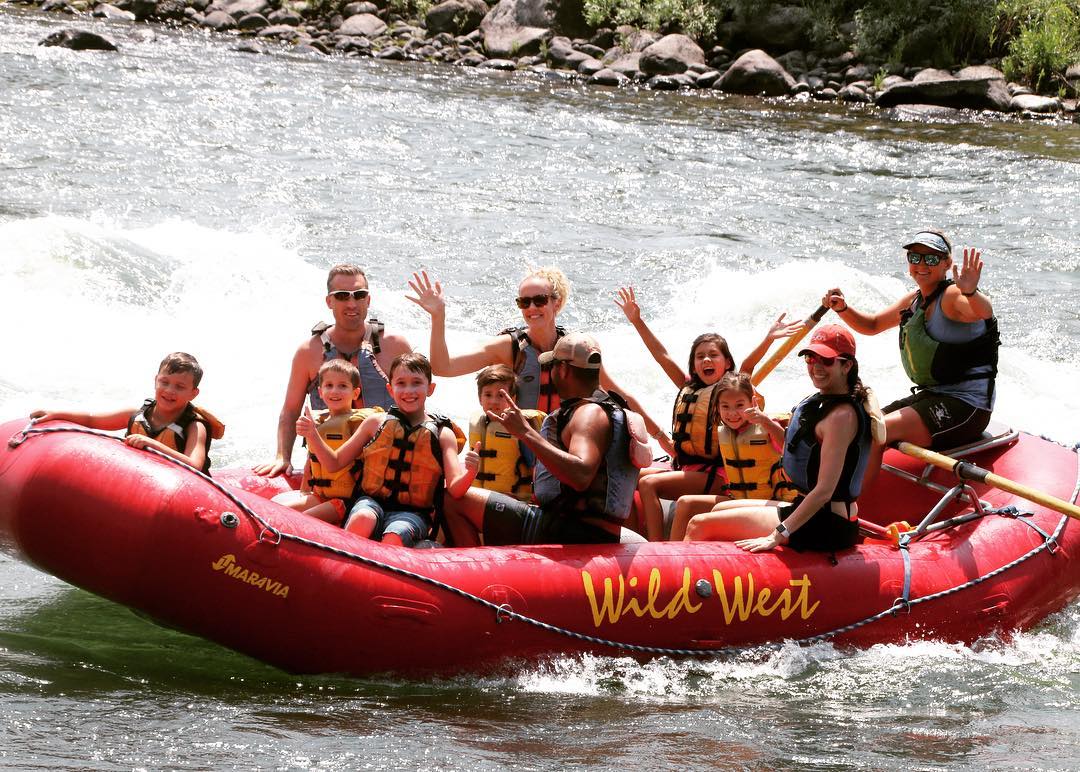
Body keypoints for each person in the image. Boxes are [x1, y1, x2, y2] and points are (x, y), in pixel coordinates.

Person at [406, 267, 672, 449]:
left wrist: (661, 438)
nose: (532, 308)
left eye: (539, 300)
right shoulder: (508, 348)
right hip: (522, 448)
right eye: (524, 302)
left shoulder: (576, 349)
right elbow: (442, 367)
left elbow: (620, 396)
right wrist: (438, 317)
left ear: (556, 302)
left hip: (568, 448)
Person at [614, 285, 803, 540]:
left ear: (727, 363)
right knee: (627, 476)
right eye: (700, 356)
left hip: (716, 473)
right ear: (693, 364)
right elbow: (662, 356)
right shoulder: (688, 386)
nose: (706, 360)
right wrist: (637, 321)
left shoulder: (729, 392)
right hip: (685, 466)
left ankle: (656, 546)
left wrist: (768, 339)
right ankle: (631, 537)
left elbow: (748, 365)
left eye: (713, 355)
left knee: (649, 484)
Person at [442, 332, 647, 547]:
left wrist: (525, 432)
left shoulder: (589, 414)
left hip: (570, 530)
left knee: (452, 500)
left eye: (551, 366)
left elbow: (581, 474)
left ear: (563, 369)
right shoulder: (606, 407)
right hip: (584, 527)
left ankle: (477, 576)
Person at [683, 324, 874, 554]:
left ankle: (678, 588)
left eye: (826, 360)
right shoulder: (821, 402)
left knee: (698, 525)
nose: (816, 367)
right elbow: (799, 452)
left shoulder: (841, 416)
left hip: (827, 524)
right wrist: (765, 422)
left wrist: (778, 534)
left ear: (846, 365)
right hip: (808, 509)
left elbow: (824, 490)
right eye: (811, 359)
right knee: (717, 511)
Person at [822, 230, 998, 453]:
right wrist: (843, 308)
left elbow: (983, 312)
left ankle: (853, 487)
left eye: (931, 258)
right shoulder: (914, 300)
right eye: (915, 257)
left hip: (968, 406)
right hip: (933, 396)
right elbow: (873, 325)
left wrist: (971, 292)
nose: (922, 264)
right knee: (855, 422)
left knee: (875, 430)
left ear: (947, 263)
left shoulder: (954, 295)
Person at [297, 353, 478, 548]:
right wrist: (313, 435)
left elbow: (455, 489)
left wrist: (470, 472)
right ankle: (343, 564)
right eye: (401, 383)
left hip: (413, 514)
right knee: (363, 518)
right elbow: (334, 463)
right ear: (390, 390)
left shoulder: (443, 434)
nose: (408, 390)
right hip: (370, 503)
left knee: (396, 535)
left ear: (430, 388)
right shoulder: (375, 423)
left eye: (416, 382)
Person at [253, 264, 412, 478]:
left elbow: (416, 403)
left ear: (368, 299)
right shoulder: (309, 352)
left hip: (387, 466)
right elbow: (291, 411)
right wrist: (283, 457)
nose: (351, 303)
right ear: (329, 301)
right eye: (342, 296)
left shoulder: (395, 345)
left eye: (359, 295)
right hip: (330, 467)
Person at [30, 352, 224, 474]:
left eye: (180, 387)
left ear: (193, 394)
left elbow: (194, 465)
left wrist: (153, 444)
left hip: (183, 490)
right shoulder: (138, 414)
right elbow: (91, 419)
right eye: (164, 382)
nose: (169, 391)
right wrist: (55, 414)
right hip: (139, 479)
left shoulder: (194, 426)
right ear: (156, 380)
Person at [271, 360, 380, 525]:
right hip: (321, 495)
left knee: (292, 521)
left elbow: (340, 462)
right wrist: (304, 492)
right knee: (274, 504)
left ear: (355, 393)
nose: (335, 391)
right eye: (329, 385)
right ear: (320, 392)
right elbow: (311, 459)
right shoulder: (318, 420)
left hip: (346, 502)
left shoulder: (358, 423)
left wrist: (312, 434)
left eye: (343, 386)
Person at [469, 364, 546, 502]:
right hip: (480, 497)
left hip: (515, 501)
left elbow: (534, 465)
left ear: (513, 398)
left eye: (500, 395)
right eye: (488, 395)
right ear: (480, 398)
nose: (493, 401)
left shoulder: (521, 427)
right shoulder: (478, 423)